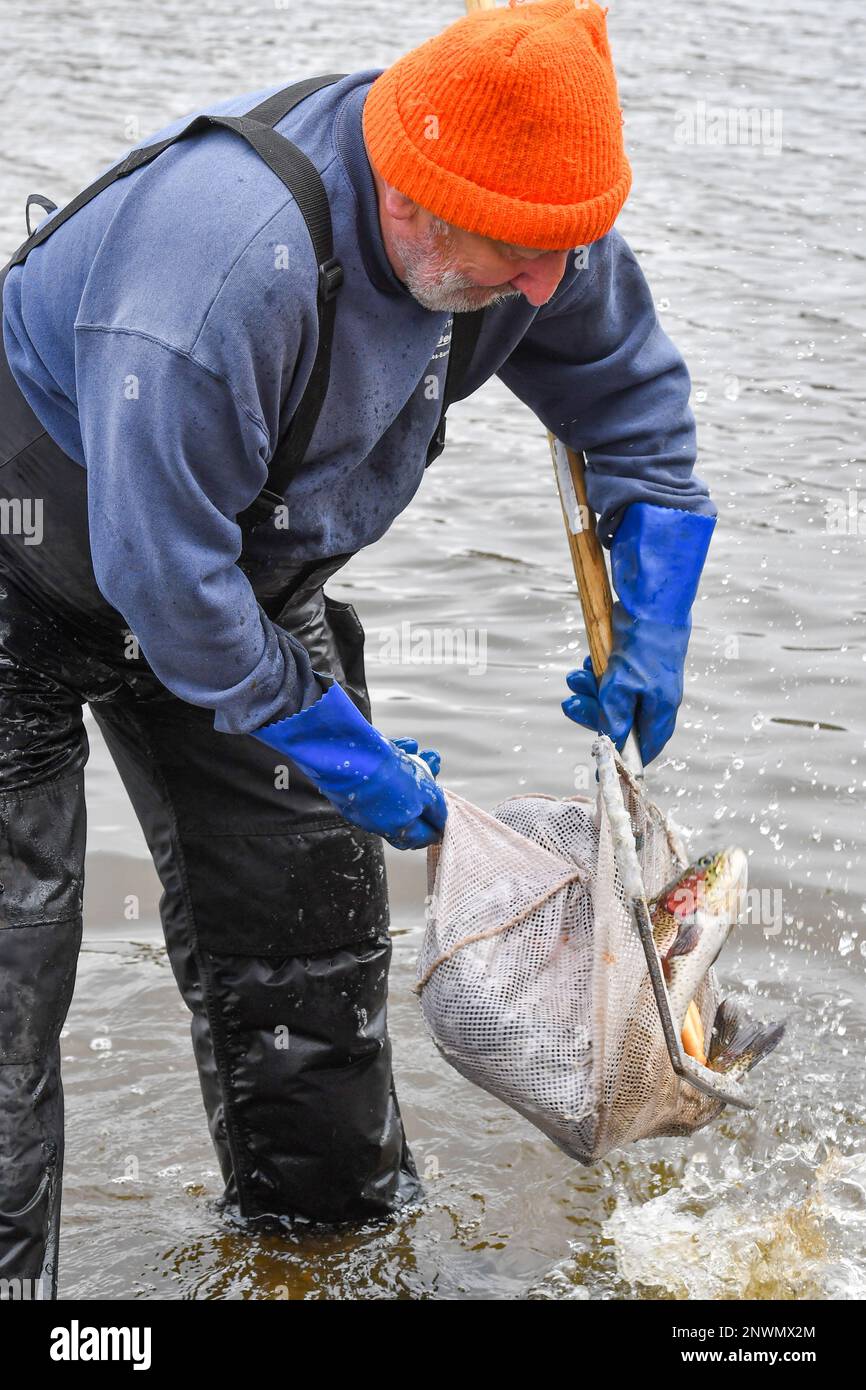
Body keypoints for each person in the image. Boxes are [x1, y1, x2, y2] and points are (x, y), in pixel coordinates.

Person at [0, 0, 715, 1296]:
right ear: (414, 205)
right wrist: (340, 745)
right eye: (523, 256)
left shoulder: (527, 228)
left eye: (567, 248)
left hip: (239, 582)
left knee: (309, 940)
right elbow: (166, 586)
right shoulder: (222, 268)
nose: (552, 287)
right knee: (5, 999)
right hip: (34, 559)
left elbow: (632, 409)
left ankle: (328, 1262)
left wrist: (655, 600)